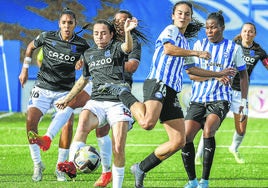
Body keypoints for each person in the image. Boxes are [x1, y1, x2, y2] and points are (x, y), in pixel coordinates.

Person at [98, 2, 236, 187]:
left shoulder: (185, 42)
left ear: (190, 17)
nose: (183, 16)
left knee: (180, 140)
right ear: (173, 15)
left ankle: (141, 168)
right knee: (147, 123)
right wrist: (196, 52)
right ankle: (123, 92)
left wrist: (218, 74)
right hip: (158, 82)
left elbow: (192, 70)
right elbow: (168, 49)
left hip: (171, 92)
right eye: (179, 13)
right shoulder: (170, 30)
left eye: (187, 14)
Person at [29, 10, 146, 187]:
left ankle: (109, 175)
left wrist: (109, 62)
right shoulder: (94, 50)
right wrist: (68, 95)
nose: (120, 23)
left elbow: (130, 61)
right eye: (117, 21)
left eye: (124, 21)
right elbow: (84, 77)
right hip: (98, 93)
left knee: (113, 143)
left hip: (119, 94)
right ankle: (61, 151)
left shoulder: (126, 45)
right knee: (80, 115)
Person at [56, 18, 138, 188]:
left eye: (103, 33)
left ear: (111, 35)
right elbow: (82, 81)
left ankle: (117, 185)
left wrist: (128, 31)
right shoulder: (88, 54)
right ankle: (71, 163)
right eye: (96, 33)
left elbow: (127, 48)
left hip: (117, 102)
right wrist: (67, 98)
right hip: (97, 102)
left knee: (118, 147)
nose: (99, 36)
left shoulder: (116, 48)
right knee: (83, 122)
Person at [18, 8, 89, 182]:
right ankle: (38, 164)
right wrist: (25, 69)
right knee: (30, 122)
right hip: (42, 88)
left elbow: (90, 60)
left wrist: (82, 60)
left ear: (75, 25)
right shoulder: (46, 36)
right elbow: (30, 47)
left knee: (67, 125)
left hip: (65, 91)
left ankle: (60, 167)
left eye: (70, 23)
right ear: (59, 24)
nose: (66, 26)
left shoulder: (82, 44)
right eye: (63, 22)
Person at [181, 11, 249, 188]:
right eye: (207, 28)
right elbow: (192, 74)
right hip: (197, 99)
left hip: (220, 99)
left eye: (213, 27)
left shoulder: (234, 48)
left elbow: (243, 75)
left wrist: (243, 100)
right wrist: (216, 76)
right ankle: (192, 181)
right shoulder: (198, 45)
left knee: (209, 130)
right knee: (186, 137)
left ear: (222, 28)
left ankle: (205, 180)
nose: (209, 31)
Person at [194, 22, 268, 165]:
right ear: (241, 33)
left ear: (255, 34)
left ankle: (234, 148)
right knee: (211, 125)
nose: (247, 34)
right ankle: (199, 154)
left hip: (241, 93)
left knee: (241, 129)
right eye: (245, 31)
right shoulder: (232, 46)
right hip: (224, 90)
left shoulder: (259, 51)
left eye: (250, 31)